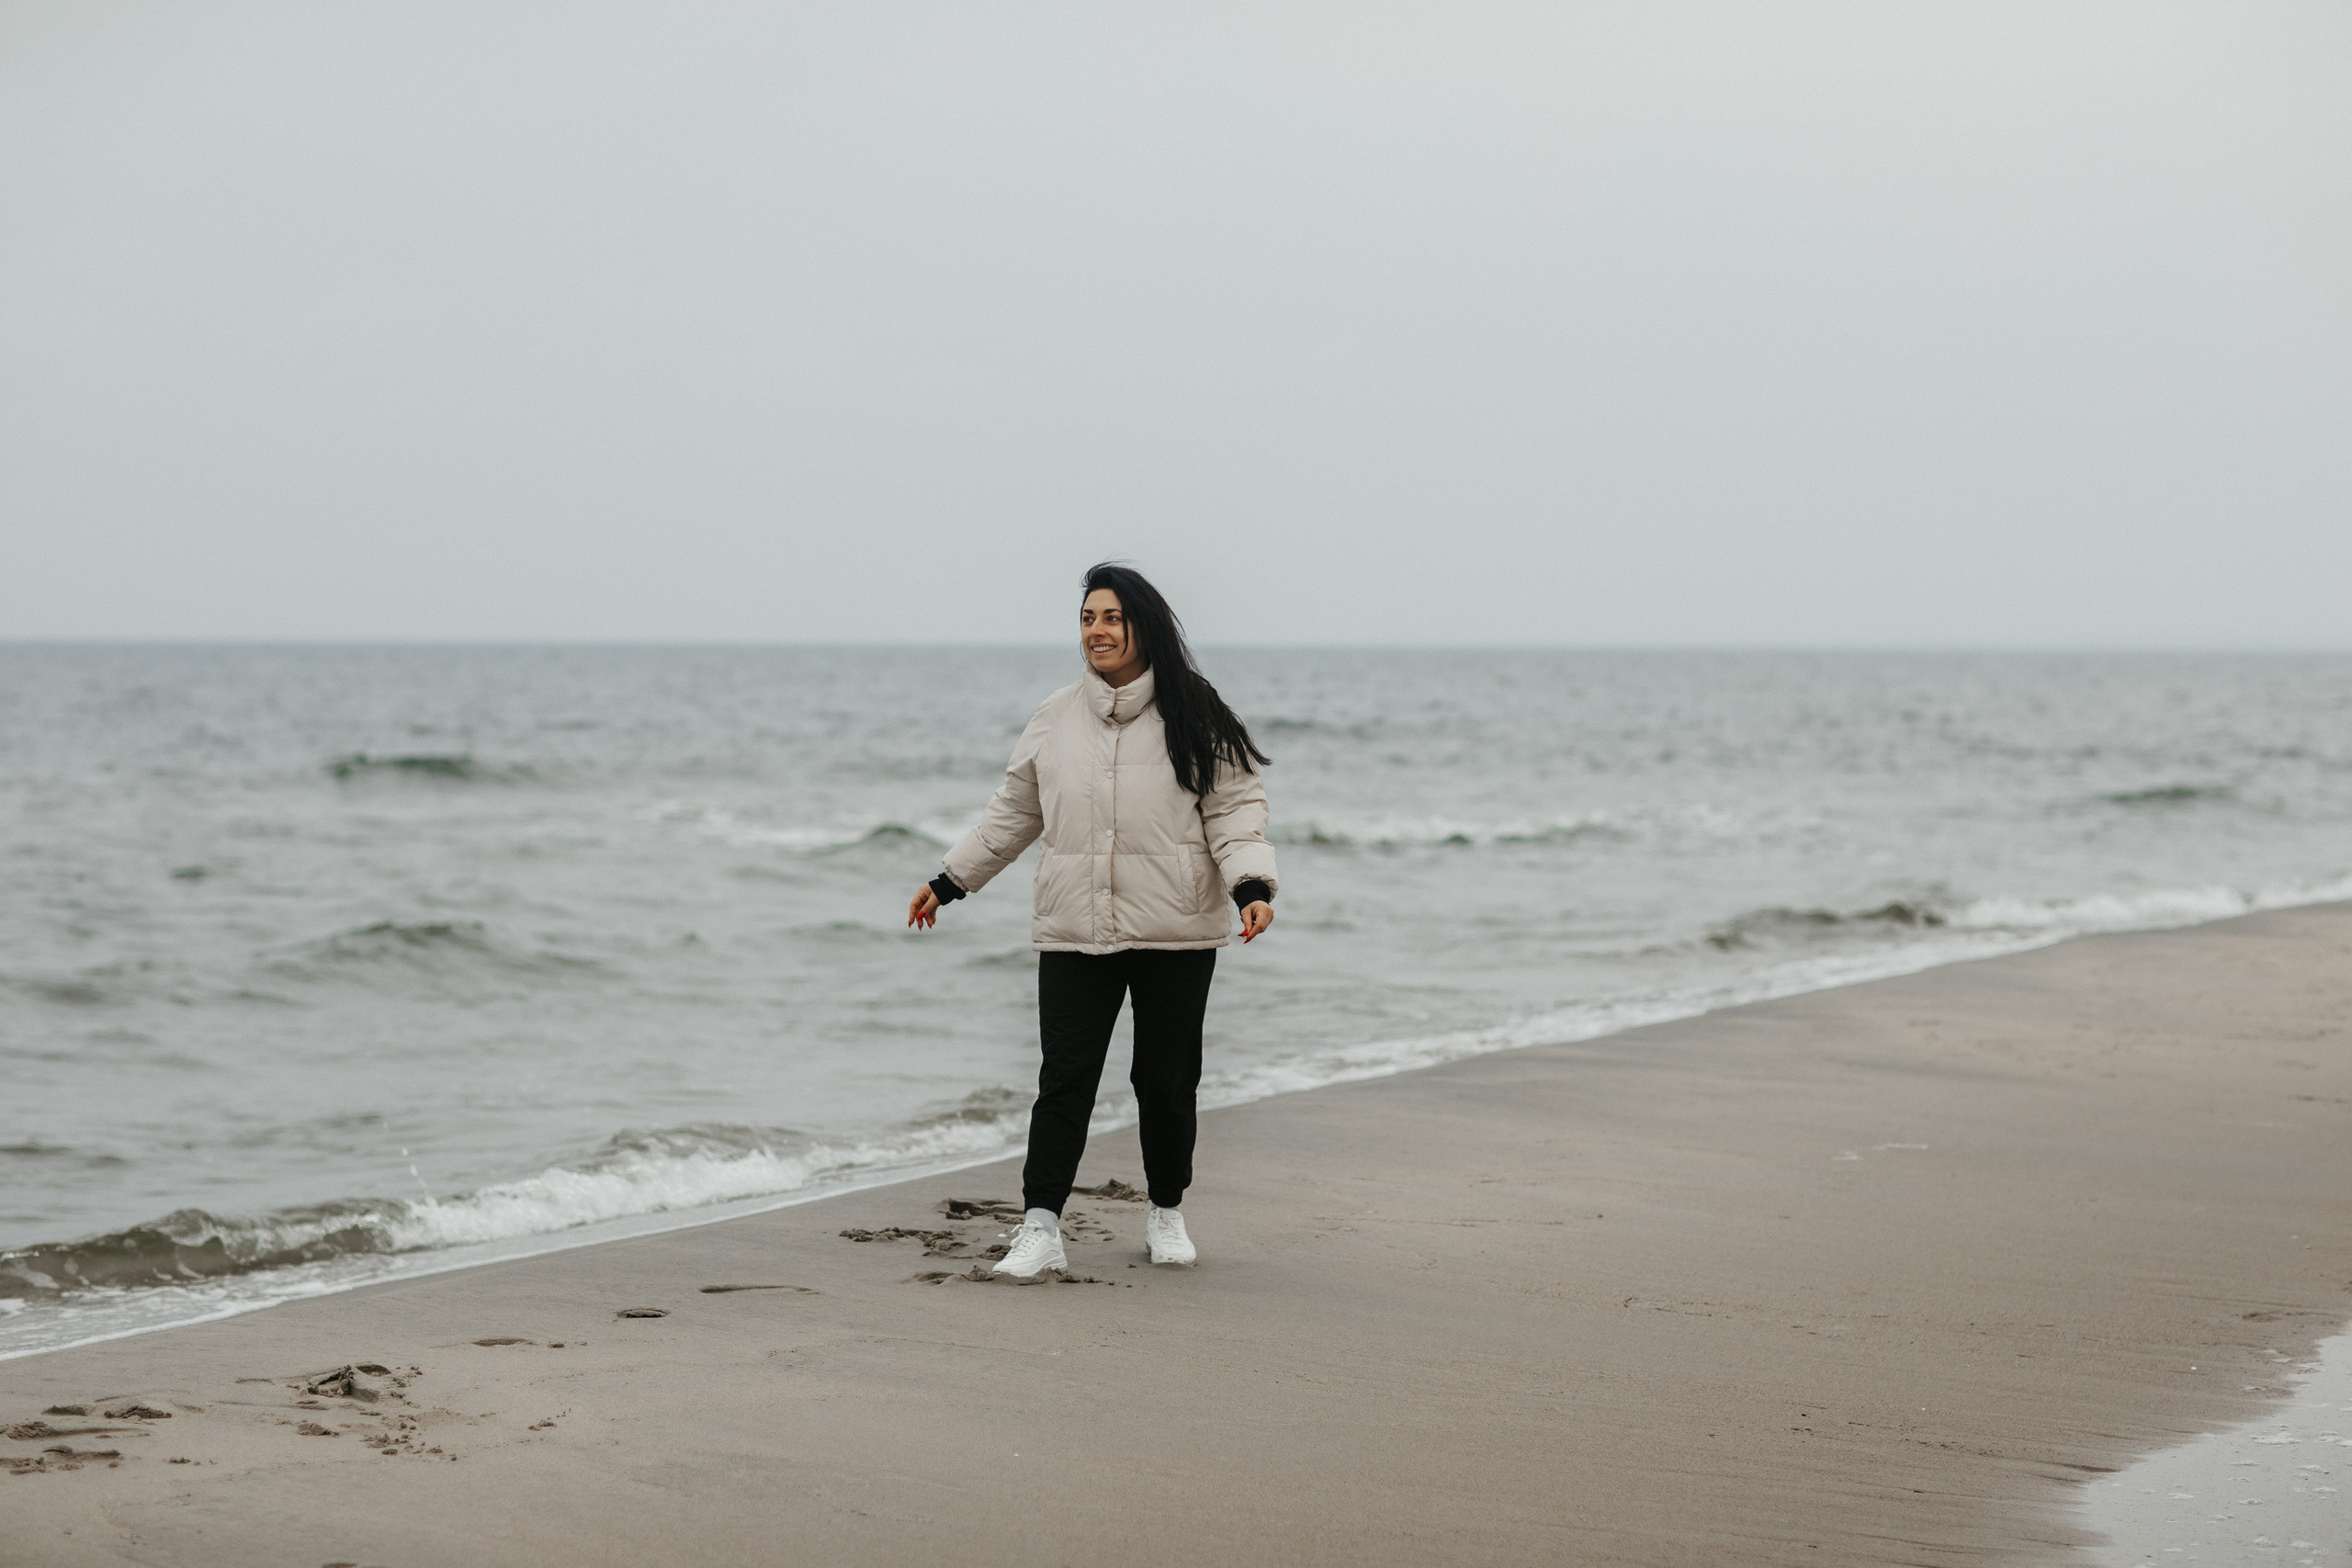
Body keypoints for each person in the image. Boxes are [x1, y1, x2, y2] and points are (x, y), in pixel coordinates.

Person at [908, 563, 1277, 1277]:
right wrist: (950, 880)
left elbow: (1234, 811)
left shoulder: (1195, 711)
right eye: (1087, 618)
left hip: (1174, 928)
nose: (1097, 631)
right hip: (1075, 926)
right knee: (1064, 1079)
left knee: (1165, 1081)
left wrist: (1252, 886)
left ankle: (1166, 1211)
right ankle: (1041, 1225)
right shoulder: (1055, 716)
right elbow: (1013, 814)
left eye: (1111, 617)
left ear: (1143, 626)